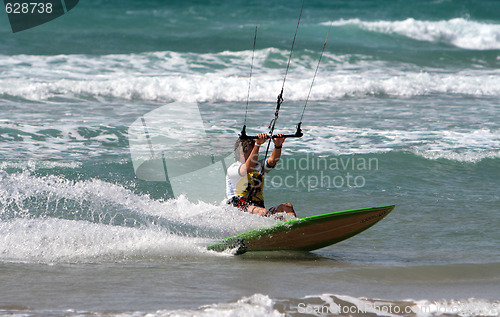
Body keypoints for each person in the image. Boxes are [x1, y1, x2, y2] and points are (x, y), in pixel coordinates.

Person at [226, 132, 296, 218]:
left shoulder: (259, 166)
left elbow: (273, 160)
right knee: (263, 212)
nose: (256, 154)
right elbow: (247, 168)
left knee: (287, 207)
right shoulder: (233, 168)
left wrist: (278, 145)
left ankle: (295, 228)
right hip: (238, 209)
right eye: (253, 151)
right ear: (241, 152)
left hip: (258, 208)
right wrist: (257, 144)